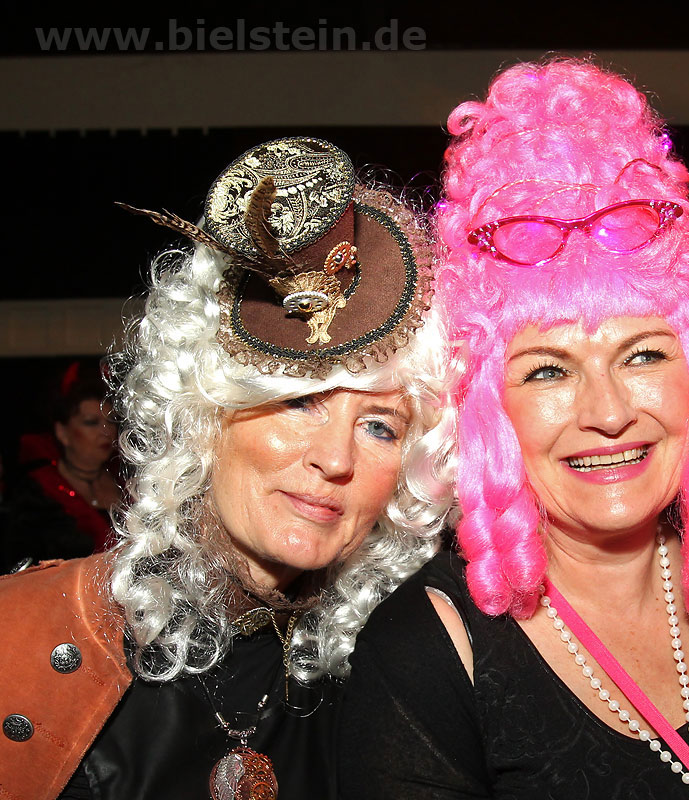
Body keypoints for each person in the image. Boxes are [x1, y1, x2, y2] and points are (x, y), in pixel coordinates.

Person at [339, 60, 689, 800]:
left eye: (644, 355)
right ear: (487, 410)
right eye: (548, 371)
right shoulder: (422, 655)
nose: (608, 413)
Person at [0, 136, 453, 800]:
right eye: (299, 401)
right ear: (206, 415)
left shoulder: (406, 680)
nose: (336, 459)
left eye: (380, 426)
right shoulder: (21, 642)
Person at [5, 365, 122, 568]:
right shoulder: (35, 493)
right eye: (91, 422)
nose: (106, 431)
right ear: (62, 432)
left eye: (110, 421)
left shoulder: (125, 481)